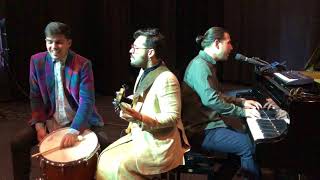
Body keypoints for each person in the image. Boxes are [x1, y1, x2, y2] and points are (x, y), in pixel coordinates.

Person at [10, 21, 109, 180]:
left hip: (77, 121)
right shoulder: (36, 61)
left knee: (106, 144)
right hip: (50, 120)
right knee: (17, 143)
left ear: (68, 43)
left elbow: (87, 102)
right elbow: (35, 97)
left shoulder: (83, 64)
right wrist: (39, 126)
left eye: (59, 42)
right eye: (50, 42)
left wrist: (74, 130)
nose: (53, 46)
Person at [96, 28, 190, 180]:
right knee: (105, 157)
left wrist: (139, 117)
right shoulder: (144, 71)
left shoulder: (167, 78)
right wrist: (127, 104)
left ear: (150, 52)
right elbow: (144, 97)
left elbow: (173, 117)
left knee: (118, 166)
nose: (130, 50)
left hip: (160, 143)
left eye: (135, 47)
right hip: (144, 135)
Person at [181, 27, 268, 179]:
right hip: (200, 130)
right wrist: (243, 112)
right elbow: (211, 100)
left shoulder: (206, 64)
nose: (231, 47)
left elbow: (217, 94)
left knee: (242, 145)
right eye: (228, 43)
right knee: (247, 146)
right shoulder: (200, 67)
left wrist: (241, 102)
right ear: (217, 43)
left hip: (209, 124)